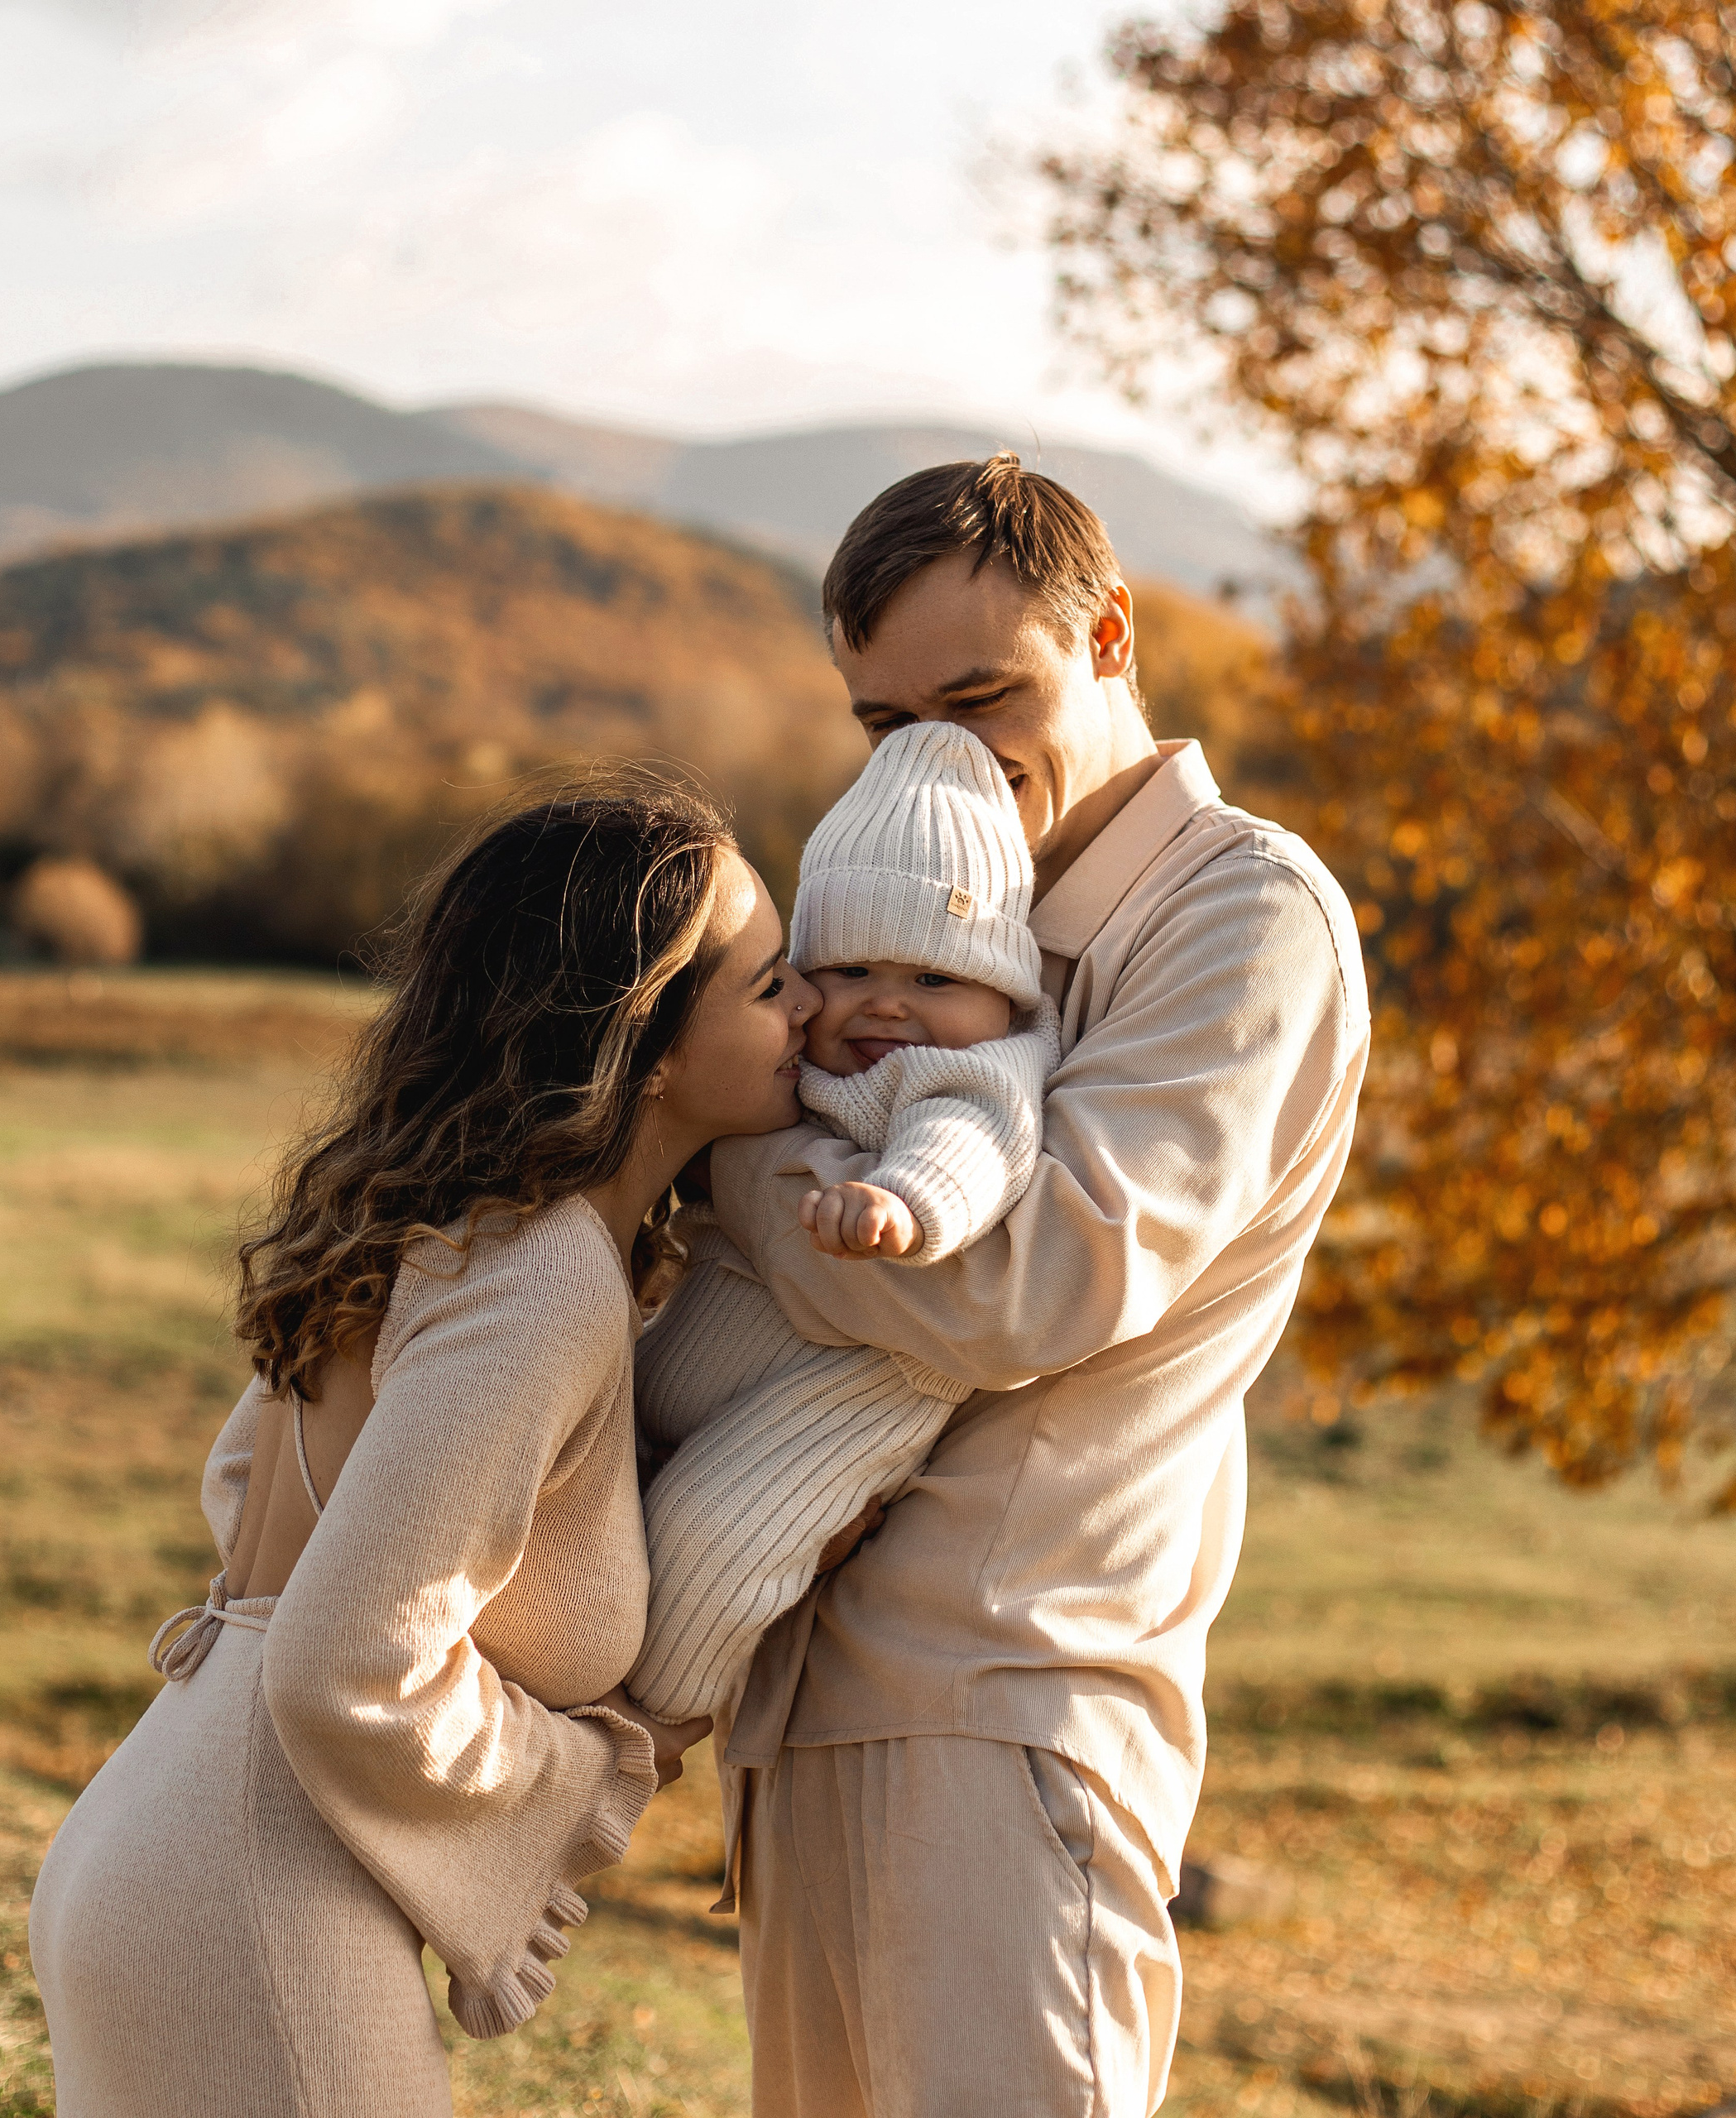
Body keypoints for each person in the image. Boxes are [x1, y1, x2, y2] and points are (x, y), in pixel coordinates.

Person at [707, 456, 1371, 2117]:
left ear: (1112, 634)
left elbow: (1018, 1284)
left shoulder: (1239, 910)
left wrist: (732, 1155)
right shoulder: (908, 911)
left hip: (1014, 1691)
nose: (935, 753)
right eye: (881, 722)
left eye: (980, 693)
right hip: (810, 1685)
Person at [27, 778, 818, 2118]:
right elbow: (347, 1663)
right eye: (770, 983)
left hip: (165, 1833)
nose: (809, 1010)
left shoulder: (476, 1230)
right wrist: (584, 1778)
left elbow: (248, 1492)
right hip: (251, 1898)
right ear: (651, 1043)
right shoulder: (545, 1278)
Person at [630, 716, 1059, 1727]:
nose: (887, 1008)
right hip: (716, 1333)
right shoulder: (807, 1055)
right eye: (855, 971)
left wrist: (903, 1203)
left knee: (717, 1536)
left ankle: (648, 1724)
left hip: (854, 1379)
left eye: (934, 979)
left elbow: (974, 1144)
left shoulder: (977, 1069)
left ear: (1000, 992)